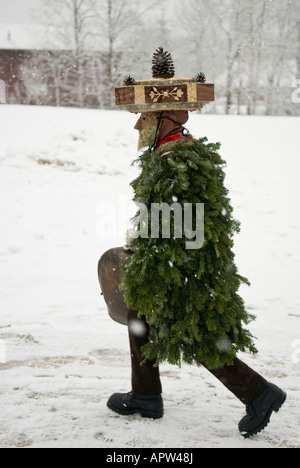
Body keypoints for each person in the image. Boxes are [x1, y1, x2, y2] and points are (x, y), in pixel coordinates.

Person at [98, 48, 286, 439]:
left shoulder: (178, 159)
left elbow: (186, 222)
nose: (137, 128)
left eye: (144, 118)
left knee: (189, 331)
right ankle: (146, 395)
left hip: (180, 264)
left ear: (164, 118)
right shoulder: (169, 153)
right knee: (140, 320)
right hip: (171, 260)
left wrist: (151, 246)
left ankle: (260, 392)